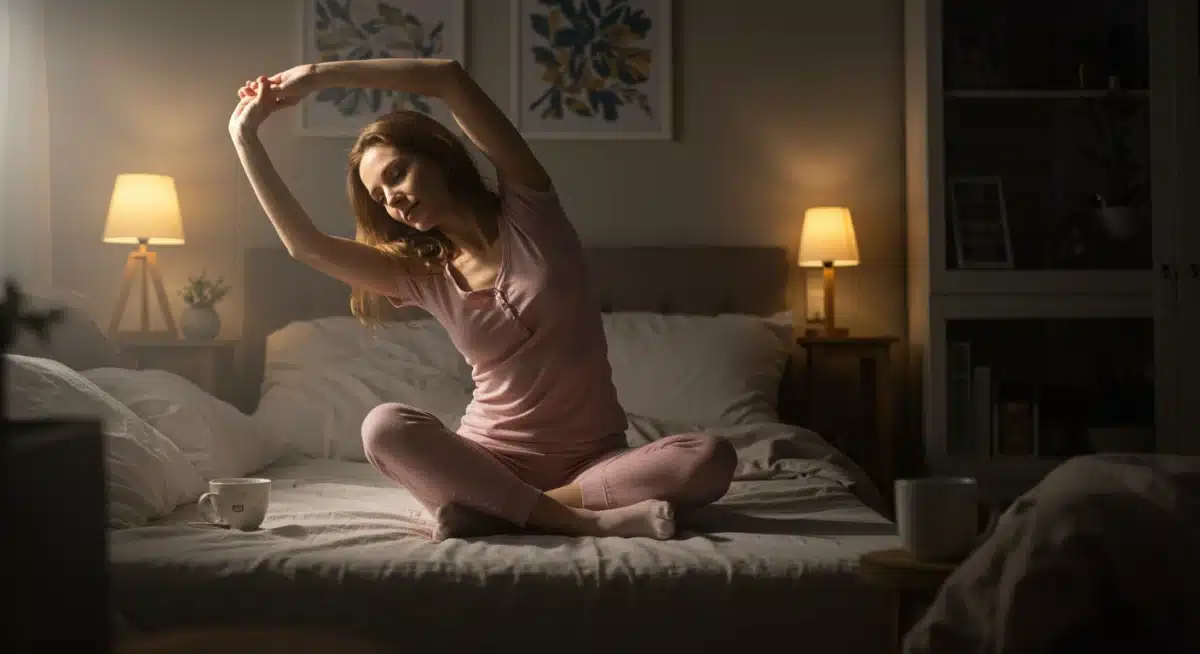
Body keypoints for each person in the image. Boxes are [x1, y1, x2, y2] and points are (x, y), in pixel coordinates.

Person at [228, 58, 738, 541]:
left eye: (397, 174)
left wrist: (317, 75)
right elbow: (306, 246)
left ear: (439, 156)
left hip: (593, 462)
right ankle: (582, 522)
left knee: (708, 457)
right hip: (487, 458)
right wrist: (243, 135)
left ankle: (505, 512)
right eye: (380, 198)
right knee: (383, 426)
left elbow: (449, 79)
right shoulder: (421, 274)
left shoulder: (530, 211)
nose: (393, 200)